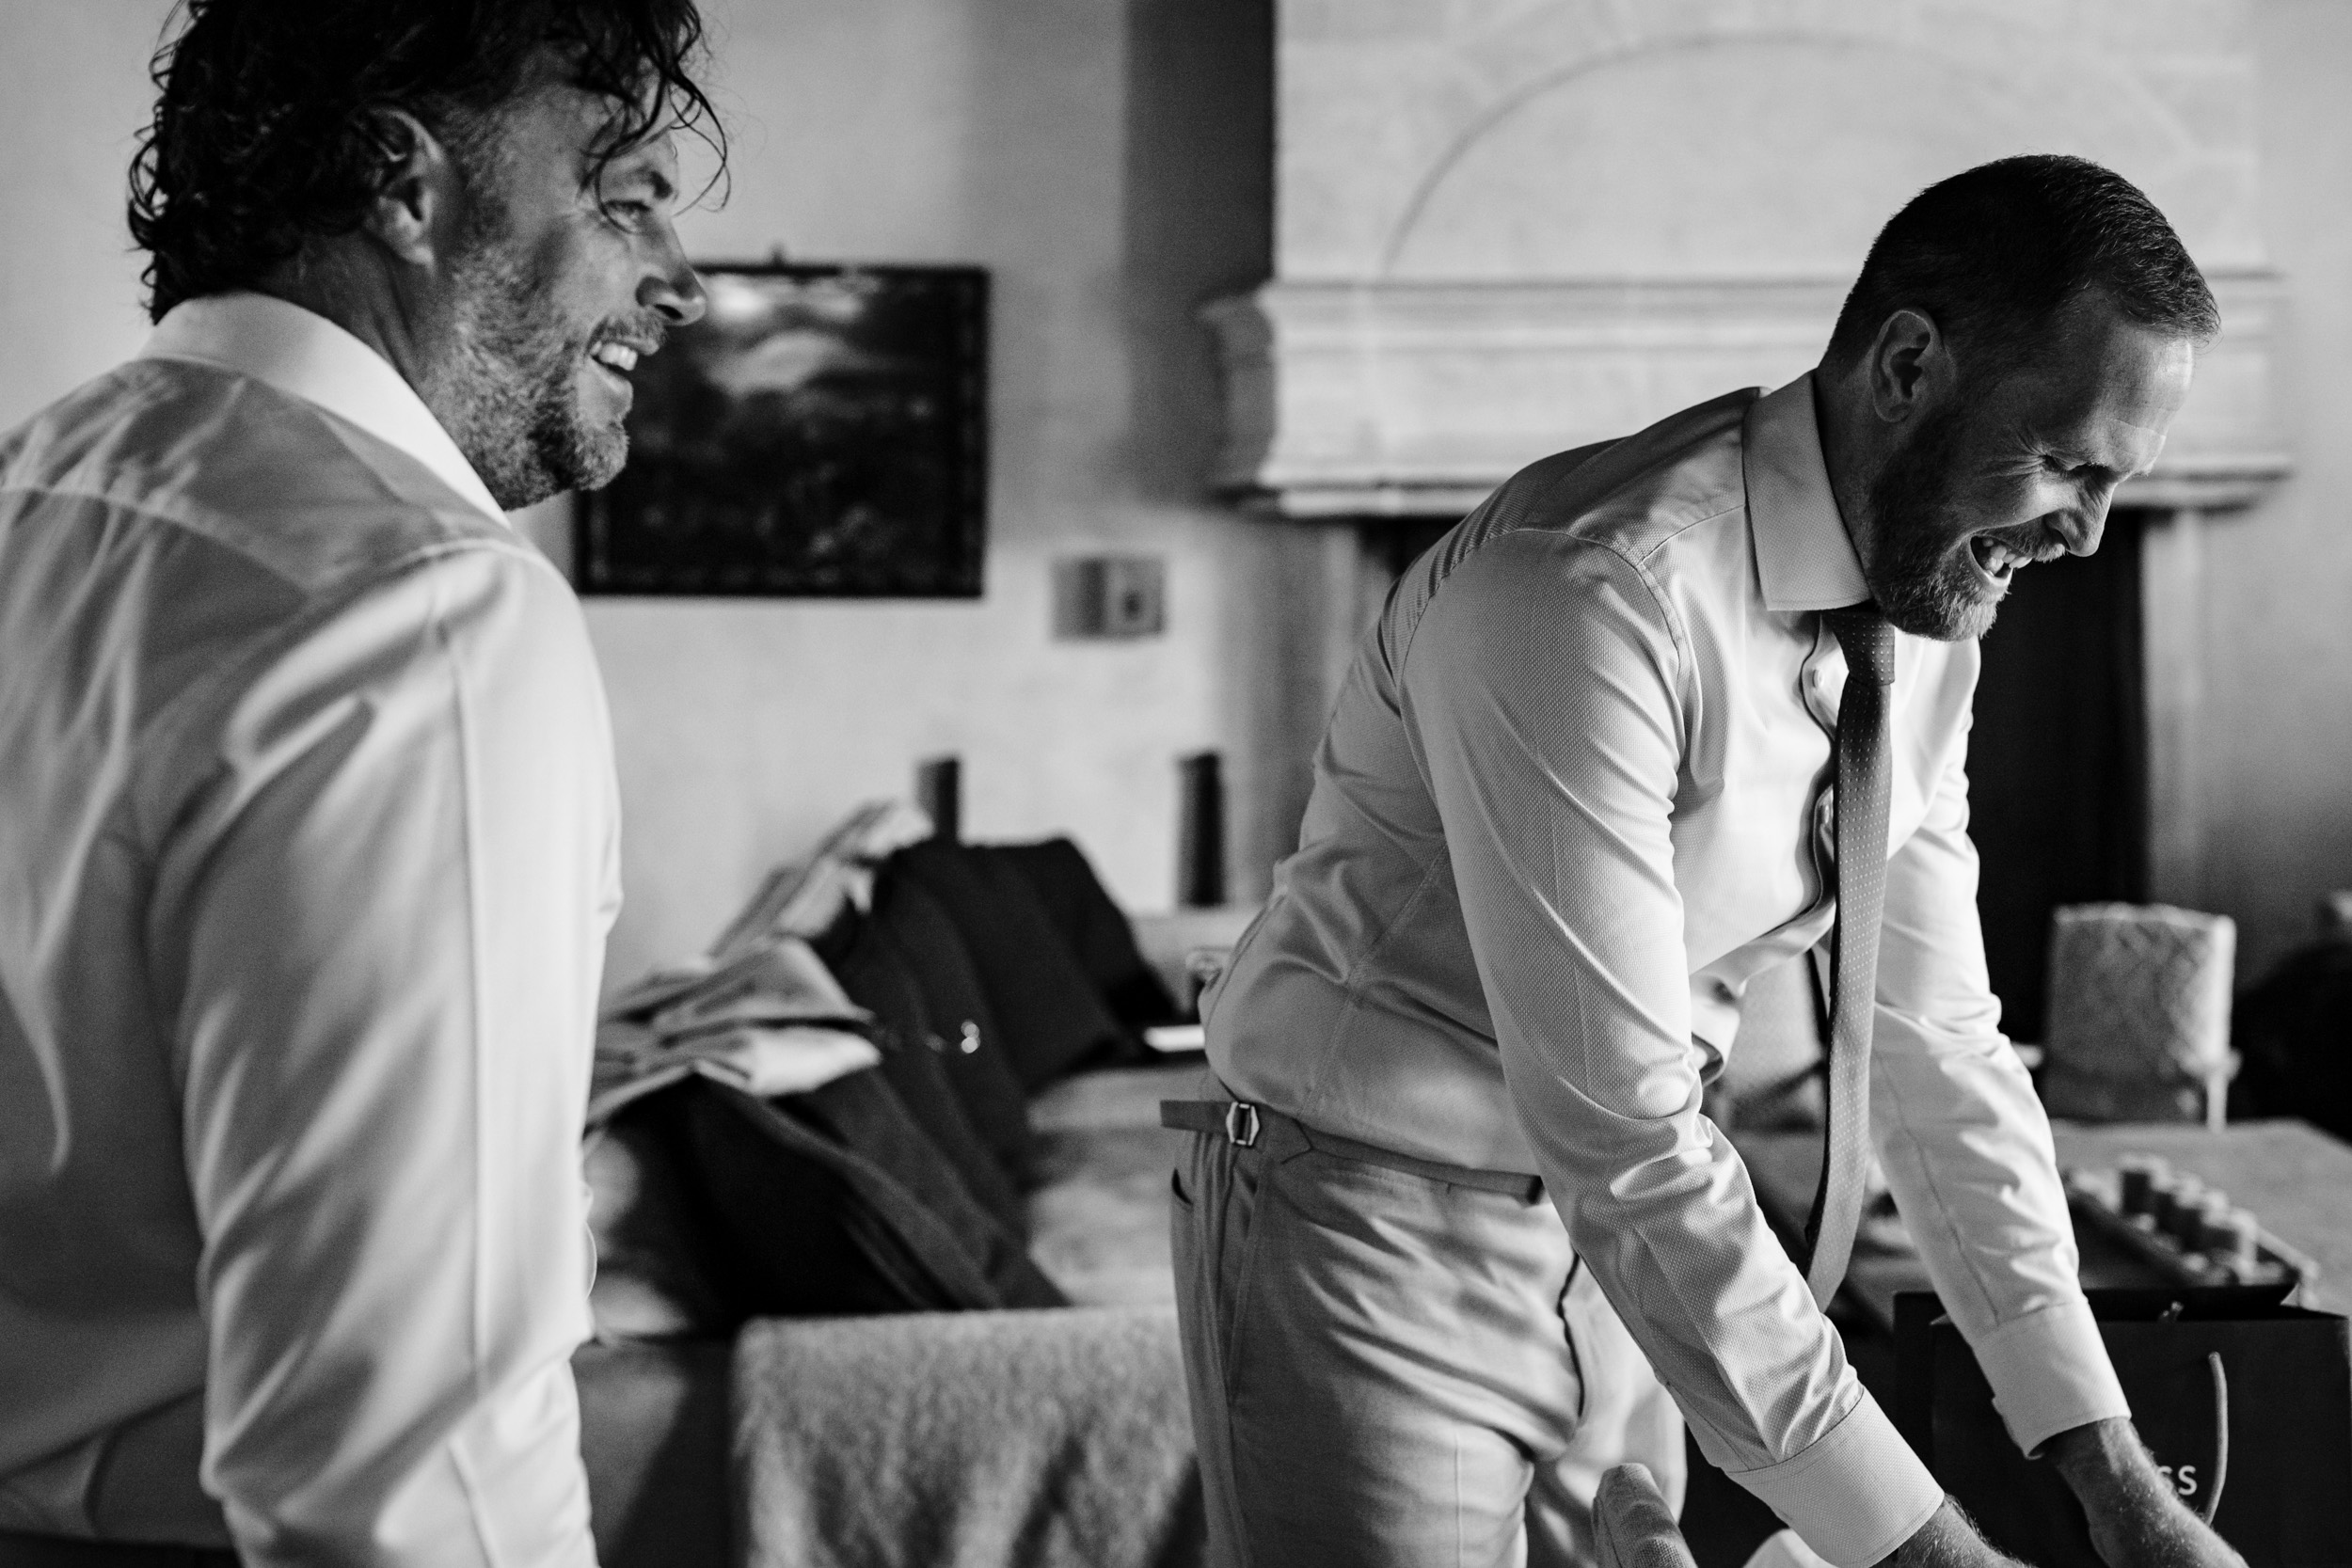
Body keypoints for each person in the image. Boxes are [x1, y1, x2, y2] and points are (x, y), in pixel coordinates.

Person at [1172, 155, 2239, 1568]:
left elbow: (1936, 1041)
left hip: (1619, 1265)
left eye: (2119, 485)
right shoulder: (1584, 590)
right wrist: (1926, 1550)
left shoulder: (1927, 625)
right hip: (1367, 1245)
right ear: (1907, 364)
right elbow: (1624, 1126)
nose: (2087, 536)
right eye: (2064, 463)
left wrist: (2118, 1484)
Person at [0, 3, 712, 1562]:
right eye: (626, 200)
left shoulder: (33, 498)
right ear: (407, 186)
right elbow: (410, 1482)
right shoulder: (424, 612)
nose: (682, 285)